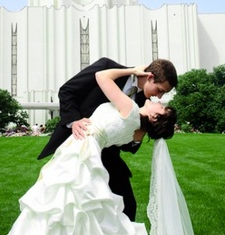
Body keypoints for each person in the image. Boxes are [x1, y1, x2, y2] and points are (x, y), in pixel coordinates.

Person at [0, 65, 225, 235]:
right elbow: (123, 135)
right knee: (74, 211)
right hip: (84, 149)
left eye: (161, 105)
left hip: (82, 152)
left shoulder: (132, 111)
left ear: (155, 119)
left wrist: (132, 71)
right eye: (160, 95)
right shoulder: (136, 126)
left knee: (62, 207)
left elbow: (103, 77)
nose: (158, 100)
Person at [38, 57, 177, 221]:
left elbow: (127, 145)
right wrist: (74, 120)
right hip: (81, 143)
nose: (159, 97)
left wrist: (148, 130)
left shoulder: (143, 103)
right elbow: (67, 91)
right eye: (160, 89)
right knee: (69, 203)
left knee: (127, 206)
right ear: (150, 77)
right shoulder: (107, 67)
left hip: (109, 156)